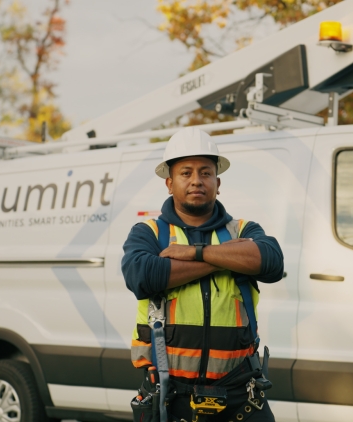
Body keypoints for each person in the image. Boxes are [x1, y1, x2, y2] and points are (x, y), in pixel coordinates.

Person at [122, 127, 284, 422]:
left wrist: (195, 253)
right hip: (170, 397)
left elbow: (272, 262)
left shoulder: (243, 229)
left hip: (240, 394)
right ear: (169, 183)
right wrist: (230, 257)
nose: (197, 180)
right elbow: (143, 276)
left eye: (205, 172)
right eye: (186, 172)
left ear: (218, 183)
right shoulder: (150, 232)